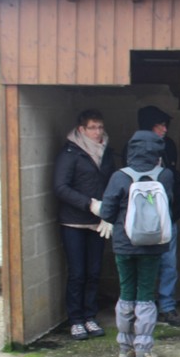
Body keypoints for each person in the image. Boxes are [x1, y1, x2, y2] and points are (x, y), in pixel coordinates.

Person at [100, 130, 175, 357]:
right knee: (145, 294)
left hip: (124, 245)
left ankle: (125, 348)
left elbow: (107, 213)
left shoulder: (119, 176)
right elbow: (170, 206)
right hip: (153, 246)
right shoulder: (164, 175)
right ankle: (143, 351)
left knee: (126, 292)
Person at [53, 109, 115, 340]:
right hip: (74, 222)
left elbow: (111, 182)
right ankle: (76, 319)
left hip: (99, 222)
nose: (97, 132)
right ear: (82, 129)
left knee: (94, 272)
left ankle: (90, 316)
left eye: (100, 127)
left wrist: (108, 211)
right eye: (92, 127)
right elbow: (60, 187)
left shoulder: (106, 152)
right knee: (78, 273)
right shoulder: (70, 153)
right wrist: (88, 204)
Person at [135, 105, 180, 327]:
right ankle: (143, 306)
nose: (164, 130)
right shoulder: (134, 148)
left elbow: (174, 178)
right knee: (144, 264)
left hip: (167, 215)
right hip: (141, 219)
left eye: (166, 125)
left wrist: (177, 203)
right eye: (160, 125)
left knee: (169, 263)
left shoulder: (169, 146)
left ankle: (167, 306)